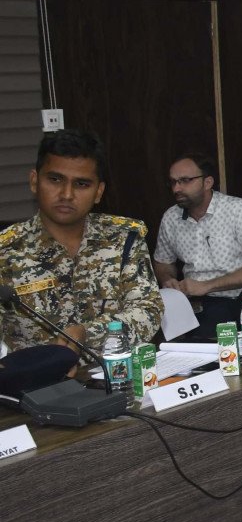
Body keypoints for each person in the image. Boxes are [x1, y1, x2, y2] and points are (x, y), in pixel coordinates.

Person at [0, 129, 162, 354]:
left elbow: (148, 311)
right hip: (39, 376)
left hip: (117, 371)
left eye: (81, 184)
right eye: (55, 179)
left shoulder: (123, 238)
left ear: (99, 192)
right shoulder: (6, 251)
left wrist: (87, 333)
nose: (66, 194)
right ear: (34, 182)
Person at [152, 152, 242, 335]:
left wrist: (206, 286)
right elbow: (163, 262)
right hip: (187, 302)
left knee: (202, 333)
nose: (177, 188)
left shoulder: (237, 209)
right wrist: (168, 280)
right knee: (153, 330)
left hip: (233, 300)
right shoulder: (171, 217)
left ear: (207, 182)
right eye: (173, 182)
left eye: (185, 181)